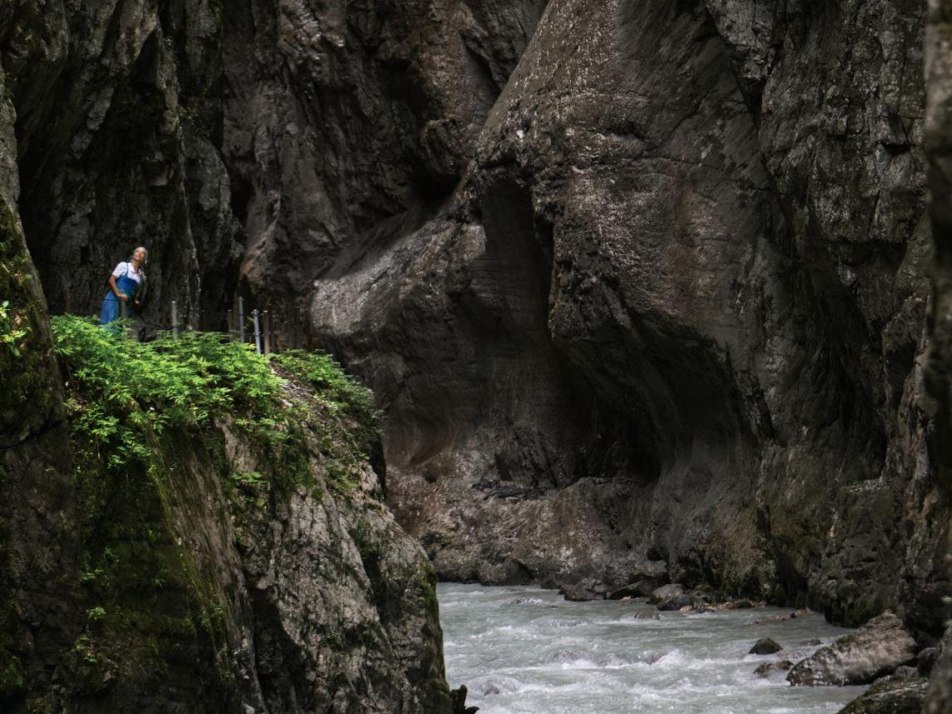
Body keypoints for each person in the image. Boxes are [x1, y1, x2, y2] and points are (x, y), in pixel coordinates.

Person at [99, 246, 148, 328]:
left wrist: (135, 299)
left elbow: (137, 289)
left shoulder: (140, 274)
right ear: (133, 254)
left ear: (144, 258)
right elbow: (111, 279)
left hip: (127, 304)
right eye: (137, 251)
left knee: (121, 328)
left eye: (142, 253)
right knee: (110, 327)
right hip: (113, 300)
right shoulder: (124, 265)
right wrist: (118, 294)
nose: (139, 253)